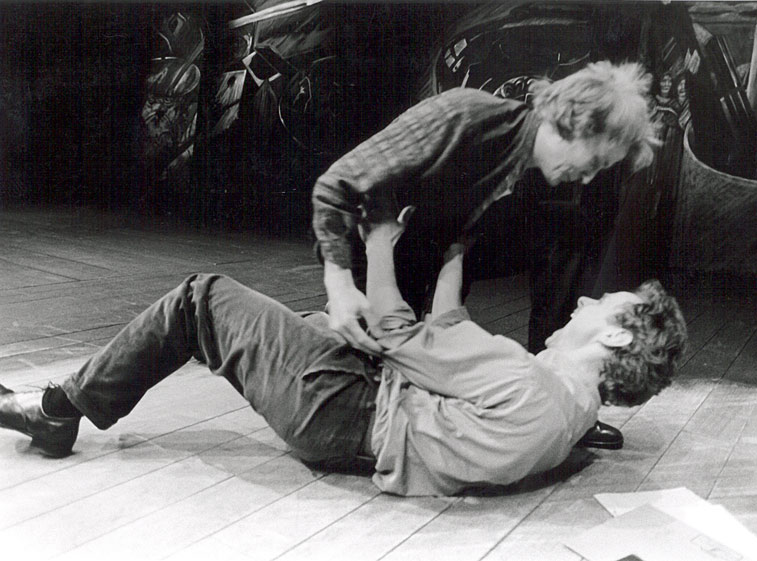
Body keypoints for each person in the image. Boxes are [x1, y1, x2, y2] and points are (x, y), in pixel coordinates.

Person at [0, 216, 687, 497]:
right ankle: (129, 372)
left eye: (603, 304)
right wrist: (454, 253)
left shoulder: (527, 377)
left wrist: (382, 236)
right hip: (363, 416)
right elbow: (449, 333)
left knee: (199, 297)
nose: (582, 303)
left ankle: (59, 410)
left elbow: (396, 330)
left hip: (343, 406)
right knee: (297, 319)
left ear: (619, 336)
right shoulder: (576, 416)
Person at [311, 60, 660, 448]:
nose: (590, 177)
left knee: (571, 228)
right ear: (574, 123)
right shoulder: (464, 115)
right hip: (381, 241)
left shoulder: (528, 164)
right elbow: (334, 186)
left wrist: (453, 273)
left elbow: (460, 231)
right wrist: (341, 287)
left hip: (436, 243)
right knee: (376, 374)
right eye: (594, 162)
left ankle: (553, 385)